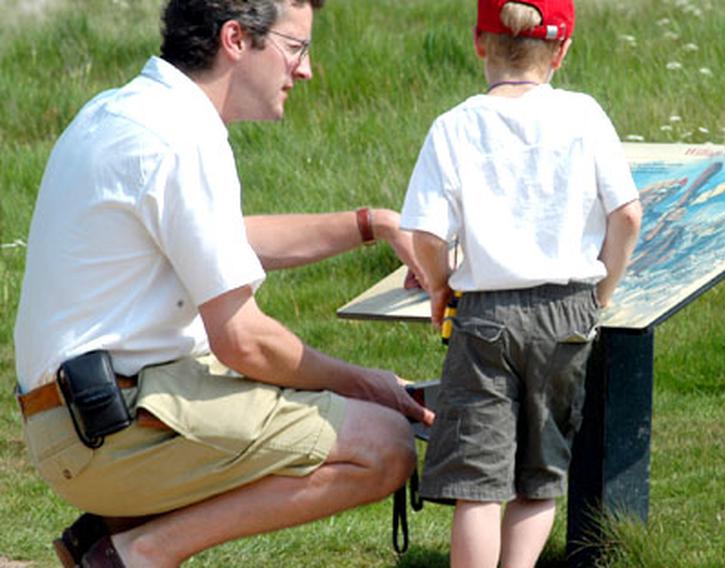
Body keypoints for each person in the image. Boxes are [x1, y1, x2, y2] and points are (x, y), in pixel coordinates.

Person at [13, 0, 433, 566]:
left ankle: (109, 537)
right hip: (109, 433)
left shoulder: (126, 110)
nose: (304, 70)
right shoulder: (180, 138)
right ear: (236, 39)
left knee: (356, 413)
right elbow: (245, 341)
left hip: (73, 420)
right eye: (295, 47)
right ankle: (138, 551)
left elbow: (219, 239)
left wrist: (372, 225)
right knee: (383, 444)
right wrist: (363, 383)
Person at [399, 0, 642, 566]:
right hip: (566, 311)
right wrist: (601, 293)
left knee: (478, 484)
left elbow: (427, 235)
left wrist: (440, 286)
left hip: (483, 314)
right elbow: (627, 215)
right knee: (540, 475)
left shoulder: (454, 125)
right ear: (562, 51)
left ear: (479, 42)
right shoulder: (584, 115)